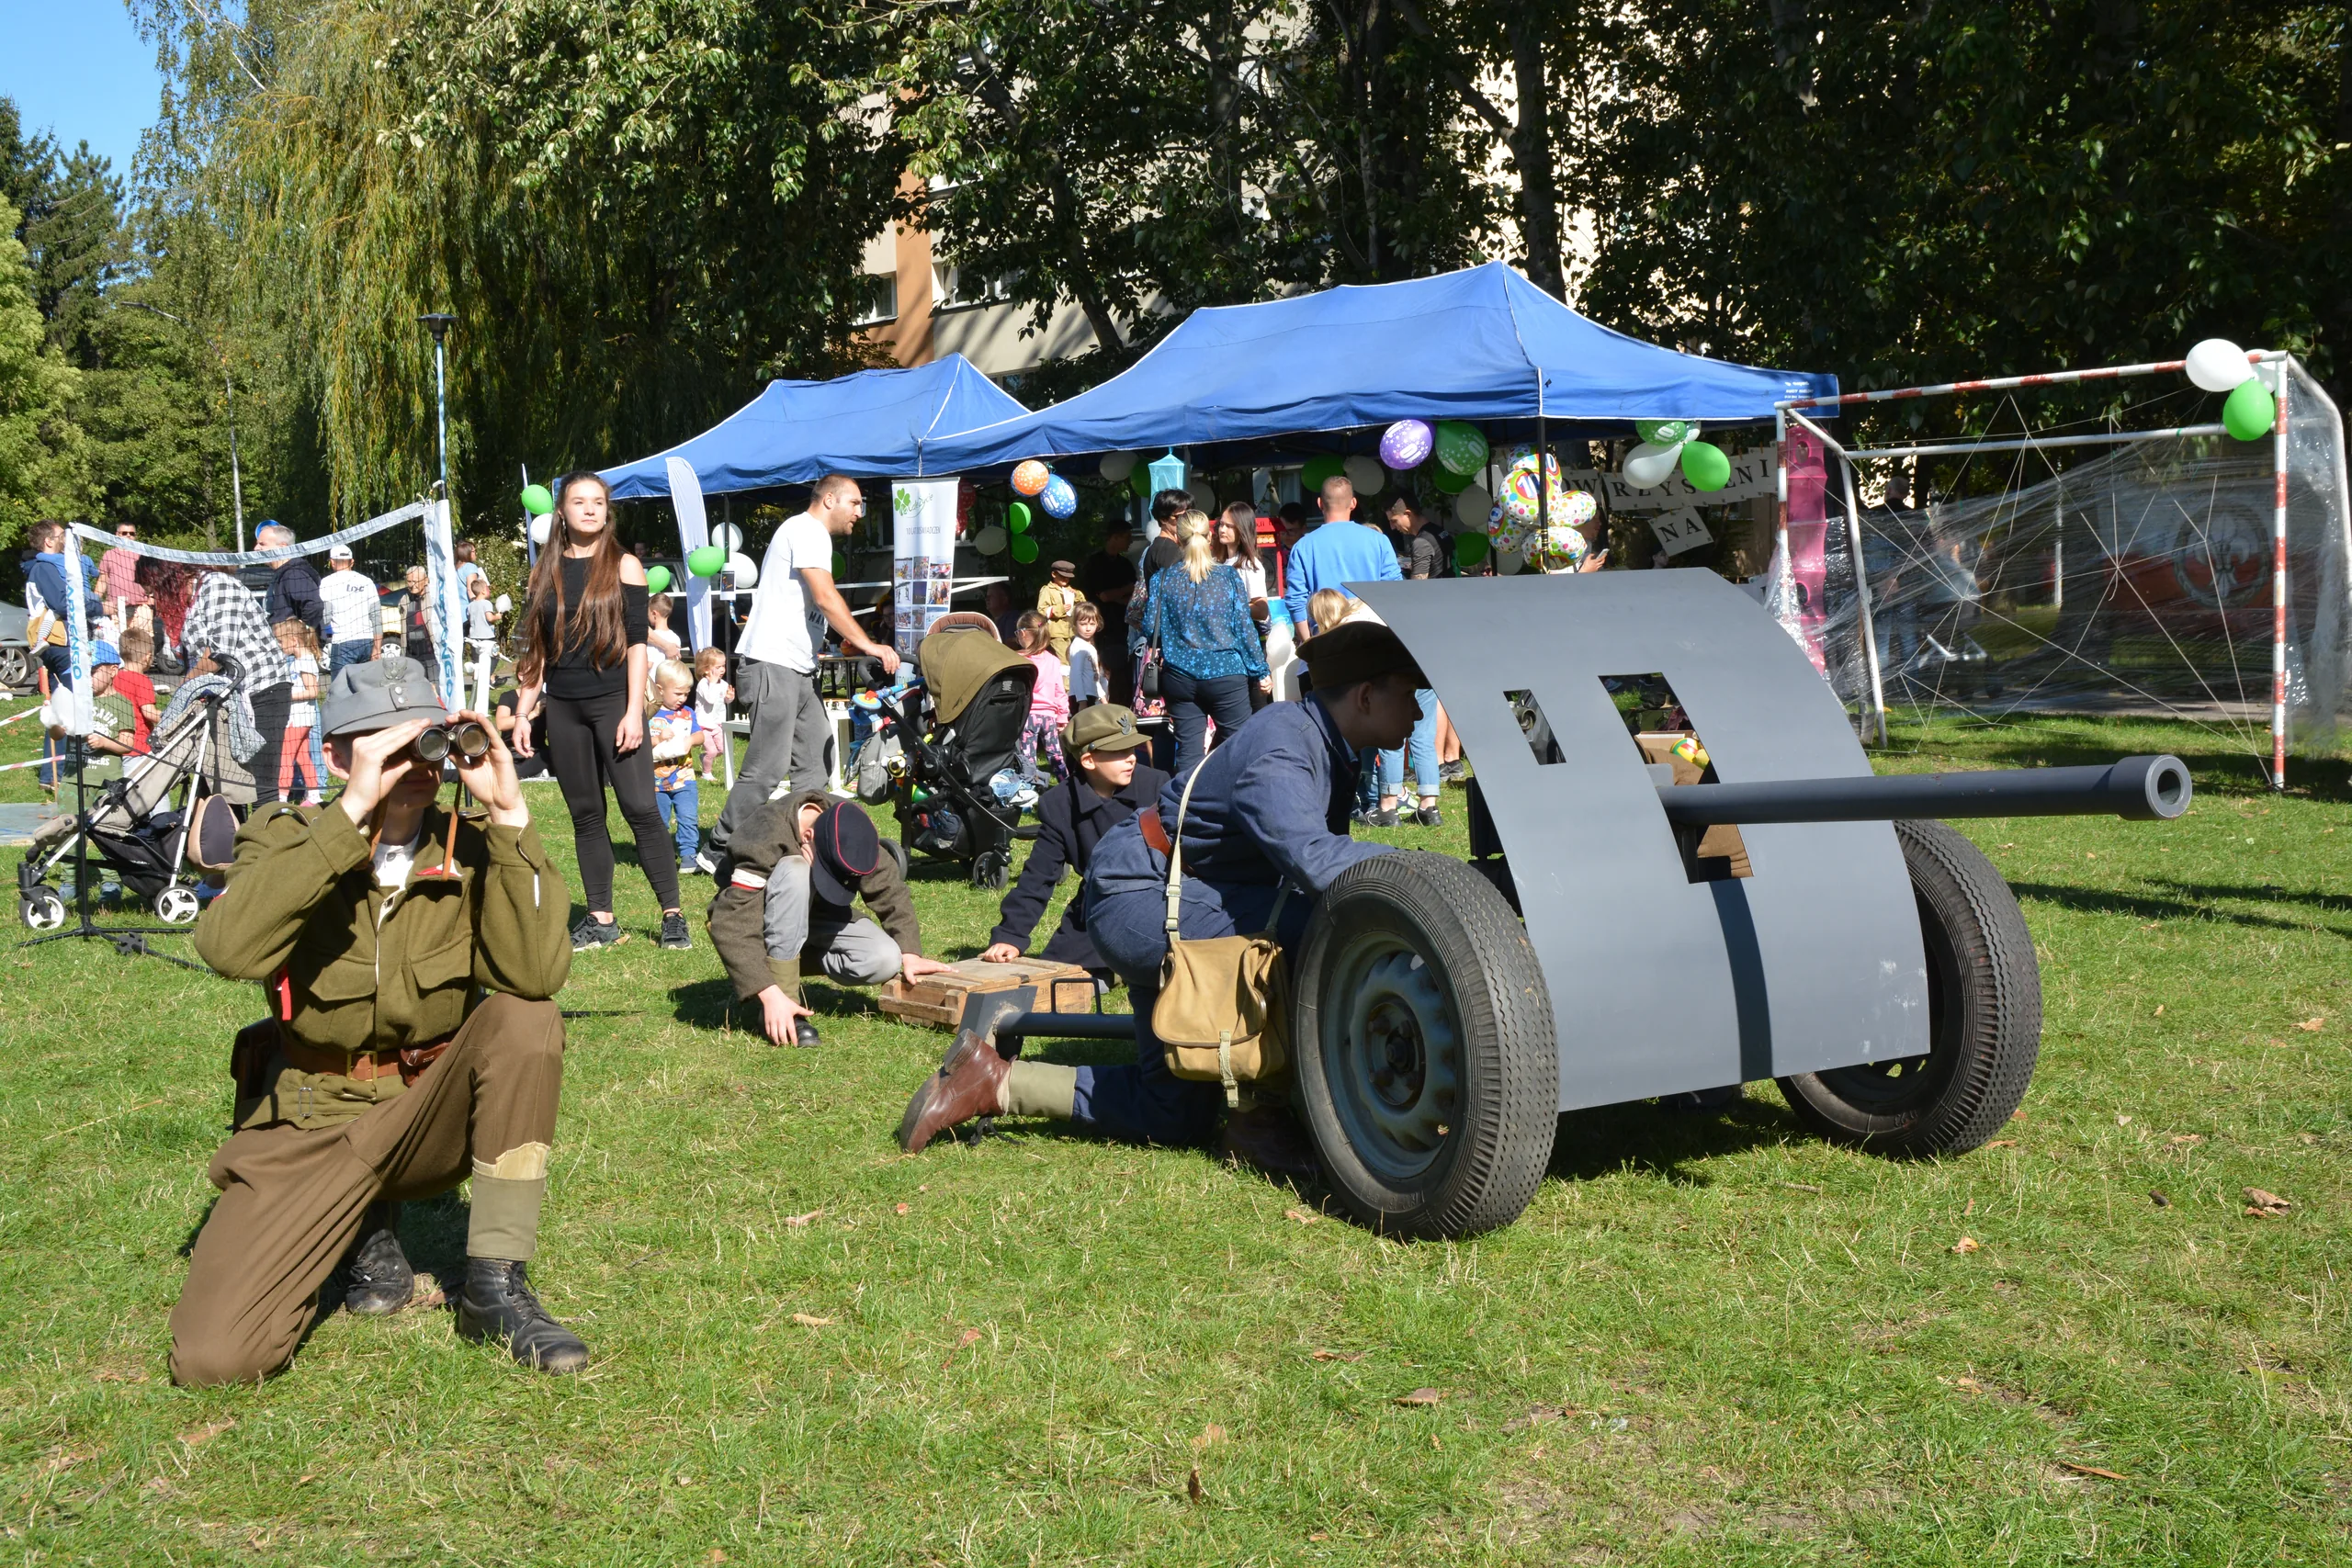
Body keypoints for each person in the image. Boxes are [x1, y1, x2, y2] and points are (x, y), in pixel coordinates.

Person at [168, 655, 587, 1384]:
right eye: (388, 747)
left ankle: (492, 1283)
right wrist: (350, 814)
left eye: (431, 743)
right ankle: (359, 1222)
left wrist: (511, 817)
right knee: (215, 1359)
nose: (419, 765)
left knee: (526, 1019)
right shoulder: (284, 835)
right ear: (336, 753)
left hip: (425, 1112)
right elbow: (227, 949)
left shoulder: (469, 846)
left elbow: (537, 977)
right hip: (312, 1119)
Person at [898, 615, 1426, 1179]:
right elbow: (1314, 859)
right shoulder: (1285, 744)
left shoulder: (1324, 745)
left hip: (1172, 891)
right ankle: (1263, 1117)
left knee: (1172, 1113)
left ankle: (991, 1082)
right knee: (1308, 933)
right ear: (1366, 695)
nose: (1419, 713)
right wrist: (1435, 877)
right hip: (1143, 897)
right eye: (1410, 694)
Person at [509, 471, 689, 952]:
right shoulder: (542, 572)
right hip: (564, 708)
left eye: (598, 502)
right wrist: (524, 713)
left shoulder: (625, 566)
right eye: (578, 502)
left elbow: (635, 645)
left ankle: (673, 916)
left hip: (615, 703)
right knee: (586, 815)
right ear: (561, 512)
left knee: (640, 809)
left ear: (607, 512)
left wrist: (634, 711)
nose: (590, 509)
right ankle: (601, 918)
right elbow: (537, 653)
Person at [707, 473, 899, 867]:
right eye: (855, 503)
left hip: (798, 667)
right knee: (766, 768)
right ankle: (719, 846)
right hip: (772, 662)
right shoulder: (807, 530)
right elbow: (826, 597)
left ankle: (807, 842)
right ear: (829, 500)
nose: (860, 514)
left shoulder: (813, 534)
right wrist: (868, 644)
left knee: (817, 756)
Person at [707, 794, 948, 1048]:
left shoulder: (848, 824)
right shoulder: (764, 833)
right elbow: (730, 920)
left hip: (820, 913)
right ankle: (786, 1003)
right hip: (757, 914)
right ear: (807, 838)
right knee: (796, 869)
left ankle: (772, 966)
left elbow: (890, 889)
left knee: (884, 959)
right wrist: (768, 993)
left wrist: (910, 953)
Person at [979, 704, 1167, 982]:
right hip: (1101, 902)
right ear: (1088, 760)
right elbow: (1039, 876)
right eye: (1120, 752)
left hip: (1162, 897)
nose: (1131, 759)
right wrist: (1011, 935)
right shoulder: (1060, 805)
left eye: (1132, 749)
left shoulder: (1157, 786)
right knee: (1061, 975)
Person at [1143, 512, 1268, 776]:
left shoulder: (1162, 579)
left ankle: (1186, 811)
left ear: (1178, 538)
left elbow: (1149, 627)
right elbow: (1245, 629)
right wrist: (1261, 671)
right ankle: (1231, 806)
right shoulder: (1228, 577)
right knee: (1239, 746)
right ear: (1210, 537)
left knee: (1188, 751)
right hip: (1226, 673)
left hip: (1179, 676)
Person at [185, 566, 299, 806]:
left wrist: (186, 686)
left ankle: (266, 841)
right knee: (223, 785)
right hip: (227, 700)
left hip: (263, 690)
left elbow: (220, 653)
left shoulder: (218, 585)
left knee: (261, 784)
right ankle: (228, 839)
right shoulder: (192, 601)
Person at [1282, 475, 1401, 636]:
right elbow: (1394, 591)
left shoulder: (1302, 547)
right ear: (1353, 503)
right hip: (1372, 635)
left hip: (1325, 638)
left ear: (1319, 504)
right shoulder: (1379, 540)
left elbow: (1296, 601)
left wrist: (1308, 644)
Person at [647, 659, 703, 876]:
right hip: (655, 782)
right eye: (677, 693)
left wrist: (690, 740)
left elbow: (700, 734)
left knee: (688, 817)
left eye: (686, 694)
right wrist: (659, 738)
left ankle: (689, 854)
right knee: (659, 821)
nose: (682, 699)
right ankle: (661, 856)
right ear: (660, 689)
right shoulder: (649, 714)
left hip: (684, 777)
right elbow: (641, 743)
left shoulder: (687, 713)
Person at [1079, 522, 1140, 703]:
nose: (1130, 543)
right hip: (1101, 627)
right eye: (1127, 538)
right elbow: (1103, 596)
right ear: (1115, 537)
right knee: (1103, 670)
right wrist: (1123, 591)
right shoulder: (1095, 563)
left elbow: (1134, 594)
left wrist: (1117, 595)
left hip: (1123, 626)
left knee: (1122, 671)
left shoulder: (1126, 564)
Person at [1012, 609, 1069, 784]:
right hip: (1049, 717)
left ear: (1022, 633)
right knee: (1055, 754)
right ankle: (1066, 784)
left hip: (1028, 715)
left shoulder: (1017, 659)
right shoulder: (1053, 660)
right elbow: (1060, 690)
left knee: (1028, 756)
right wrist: (1063, 716)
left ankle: (1029, 789)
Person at [276, 618, 326, 807]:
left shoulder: (305, 661)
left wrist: (287, 695)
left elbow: (313, 691)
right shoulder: (299, 660)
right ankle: (314, 796)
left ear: (294, 641)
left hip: (300, 718)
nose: (280, 646)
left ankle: (281, 799)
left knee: (285, 757)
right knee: (302, 756)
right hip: (300, 717)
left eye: (281, 642)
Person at [257, 523, 327, 645]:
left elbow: (314, 606)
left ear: (282, 547)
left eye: (262, 544)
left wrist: (302, 633)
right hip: (286, 647)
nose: (256, 548)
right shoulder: (283, 573)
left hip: (297, 649)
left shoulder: (294, 574)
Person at [318, 545, 381, 674]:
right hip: (367, 642)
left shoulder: (327, 582)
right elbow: (377, 617)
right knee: (364, 688)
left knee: (341, 690)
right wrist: (377, 648)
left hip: (343, 642)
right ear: (352, 562)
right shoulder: (367, 581)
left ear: (332, 562)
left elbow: (326, 617)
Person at [97, 521, 151, 638]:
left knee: (142, 647)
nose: (128, 536)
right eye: (124, 533)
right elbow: (103, 580)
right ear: (117, 534)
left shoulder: (142, 554)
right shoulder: (109, 555)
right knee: (118, 648)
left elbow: (150, 580)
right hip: (116, 610)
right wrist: (94, 601)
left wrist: (152, 597)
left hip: (140, 609)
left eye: (132, 533)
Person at [112, 626, 161, 752]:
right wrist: (170, 717)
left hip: (117, 743)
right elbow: (149, 713)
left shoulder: (115, 676)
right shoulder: (142, 680)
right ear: (147, 657)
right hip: (139, 746)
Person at [693, 646, 731, 781]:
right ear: (706, 670)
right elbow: (710, 699)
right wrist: (713, 683)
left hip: (717, 723)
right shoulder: (704, 684)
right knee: (712, 751)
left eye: (723, 666)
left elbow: (725, 701)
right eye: (718, 667)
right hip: (704, 724)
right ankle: (706, 773)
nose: (722, 670)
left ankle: (704, 758)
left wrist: (729, 697)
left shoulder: (724, 684)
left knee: (722, 749)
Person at [1385, 496, 1444, 581]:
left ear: (1408, 514)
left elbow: (1417, 587)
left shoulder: (1421, 543)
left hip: (1435, 593)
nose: (1392, 527)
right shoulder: (1440, 532)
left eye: (1394, 521)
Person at [1036, 558, 1080, 658]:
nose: (1066, 579)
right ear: (1054, 574)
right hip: (1056, 634)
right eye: (1062, 576)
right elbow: (1041, 611)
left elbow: (1083, 607)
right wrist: (1060, 609)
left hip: (1072, 632)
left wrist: (1077, 595)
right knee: (1064, 661)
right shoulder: (1047, 590)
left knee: (1073, 659)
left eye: (1068, 577)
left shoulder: (1071, 590)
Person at [1067, 601, 1103, 712]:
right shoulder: (1078, 646)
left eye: (1092, 624)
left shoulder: (1089, 646)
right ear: (1075, 624)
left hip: (1090, 695)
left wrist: (1103, 698)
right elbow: (1076, 675)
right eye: (1083, 624)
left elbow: (1094, 676)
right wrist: (1082, 702)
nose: (1088, 628)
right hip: (1080, 698)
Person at [984, 581, 1020, 645]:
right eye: (987, 597)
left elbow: (1011, 646)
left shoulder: (1012, 618)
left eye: (991, 596)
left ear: (1004, 599)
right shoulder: (992, 620)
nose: (987, 599)